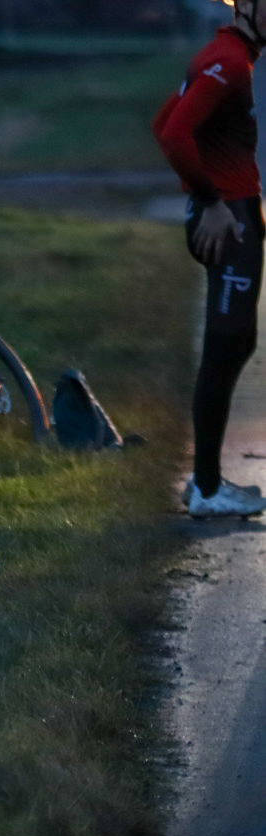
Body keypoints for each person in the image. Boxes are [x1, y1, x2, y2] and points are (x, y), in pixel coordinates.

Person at [154, 0, 266, 518]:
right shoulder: (228, 62)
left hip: (236, 212)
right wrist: (211, 201)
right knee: (225, 347)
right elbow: (174, 134)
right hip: (231, 220)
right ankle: (206, 487)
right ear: (247, 7)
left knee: (238, 342)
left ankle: (208, 481)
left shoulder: (224, 55)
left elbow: (163, 123)